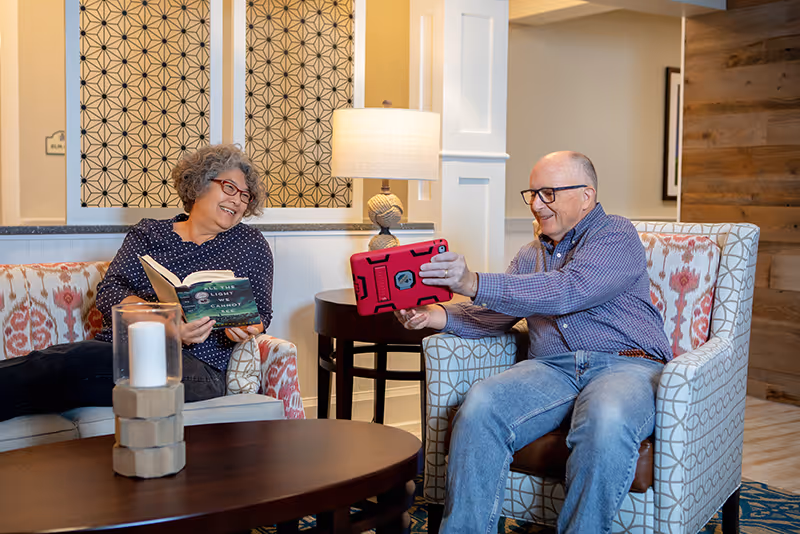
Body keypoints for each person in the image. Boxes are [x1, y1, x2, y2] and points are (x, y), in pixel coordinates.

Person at [395, 151, 672, 534]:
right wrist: (435, 315)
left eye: (549, 193)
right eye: (533, 194)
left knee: (605, 418)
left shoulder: (616, 235)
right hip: (551, 369)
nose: (537, 204)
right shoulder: (529, 255)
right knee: (480, 405)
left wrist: (474, 282)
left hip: (626, 364)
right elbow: (495, 316)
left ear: (587, 196)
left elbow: (570, 290)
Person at [0, 144, 271, 422]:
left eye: (245, 196)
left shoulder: (251, 245)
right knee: (53, 360)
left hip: (200, 366)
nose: (238, 201)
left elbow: (262, 315)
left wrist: (244, 327)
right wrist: (167, 323)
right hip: (126, 347)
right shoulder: (149, 233)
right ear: (200, 183)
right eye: (229, 188)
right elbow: (111, 292)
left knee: (68, 364)